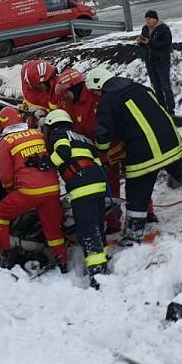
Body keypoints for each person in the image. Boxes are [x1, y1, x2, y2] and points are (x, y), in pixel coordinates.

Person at [86, 66, 182, 243]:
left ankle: (133, 235)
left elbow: (103, 133)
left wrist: (102, 151)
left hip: (143, 154)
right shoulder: (141, 88)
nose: (95, 95)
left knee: (137, 193)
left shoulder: (107, 101)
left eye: (94, 92)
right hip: (170, 144)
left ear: (99, 86)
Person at [0, 107, 67, 269]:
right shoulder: (37, 134)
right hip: (52, 188)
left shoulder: (6, 141)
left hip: (29, 190)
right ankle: (62, 262)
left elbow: (5, 176)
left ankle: (5, 255)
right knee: (53, 230)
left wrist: (9, 189)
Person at [41, 108, 109, 284]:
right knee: (97, 225)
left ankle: (98, 273)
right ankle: (104, 259)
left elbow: (63, 152)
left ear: (51, 124)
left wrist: (45, 163)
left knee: (88, 230)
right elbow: (98, 161)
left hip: (82, 186)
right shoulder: (82, 137)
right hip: (99, 183)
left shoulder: (58, 133)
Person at [52, 68, 125, 231]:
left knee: (135, 180)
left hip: (117, 145)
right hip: (96, 151)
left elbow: (107, 125)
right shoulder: (66, 102)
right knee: (107, 185)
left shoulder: (96, 96)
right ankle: (113, 221)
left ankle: (146, 212)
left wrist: (105, 152)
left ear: (74, 88)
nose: (64, 96)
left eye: (65, 92)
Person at [137, 10, 175, 113]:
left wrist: (150, 43)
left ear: (155, 19)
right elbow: (145, 45)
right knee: (156, 87)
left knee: (165, 86)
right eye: (146, 19)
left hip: (162, 61)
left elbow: (166, 44)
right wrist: (140, 42)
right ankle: (162, 108)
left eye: (149, 19)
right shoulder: (145, 29)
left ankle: (171, 109)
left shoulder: (163, 29)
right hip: (150, 62)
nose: (147, 21)